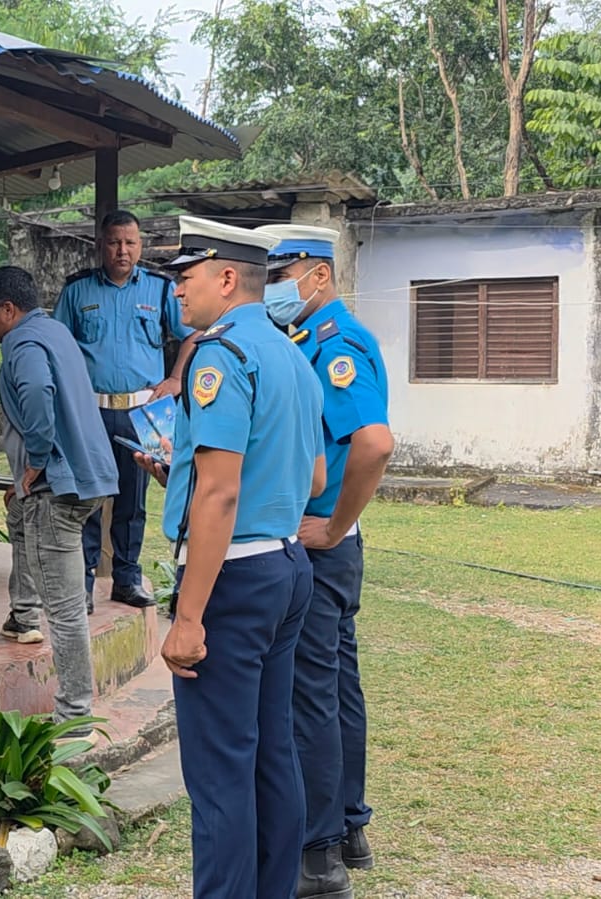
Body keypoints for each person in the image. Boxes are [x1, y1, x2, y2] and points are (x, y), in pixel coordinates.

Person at [140, 216, 325, 899]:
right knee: (271, 751)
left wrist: (188, 617)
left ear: (224, 278)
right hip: (284, 566)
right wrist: (182, 474)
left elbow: (219, 493)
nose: (175, 293)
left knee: (220, 770)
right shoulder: (288, 353)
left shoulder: (219, 355)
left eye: (184, 278)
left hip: (233, 578)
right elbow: (311, 479)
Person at [258, 223, 395, 887]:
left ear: (318, 274)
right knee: (336, 685)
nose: (271, 290)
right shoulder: (307, 339)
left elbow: (374, 442)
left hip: (322, 543)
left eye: (279, 276)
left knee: (309, 693)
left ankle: (317, 854)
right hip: (327, 541)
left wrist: (336, 527)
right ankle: (348, 824)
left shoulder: (336, 343)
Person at [0, 265, 118, 731]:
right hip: (87, 479)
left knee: (63, 610)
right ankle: (22, 616)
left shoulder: (22, 343)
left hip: (57, 486)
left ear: (7, 309)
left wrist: (36, 459)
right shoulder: (55, 331)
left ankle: (75, 717)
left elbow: (39, 391)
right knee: (20, 519)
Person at [53, 209, 195, 613]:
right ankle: (82, 584)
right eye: (114, 242)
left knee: (134, 501)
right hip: (91, 409)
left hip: (144, 412)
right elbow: (58, 345)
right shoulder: (77, 291)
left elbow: (192, 334)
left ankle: (127, 580)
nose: (122, 250)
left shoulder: (159, 289)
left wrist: (176, 379)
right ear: (101, 244)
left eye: (130, 242)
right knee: (88, 496)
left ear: (140, 245)